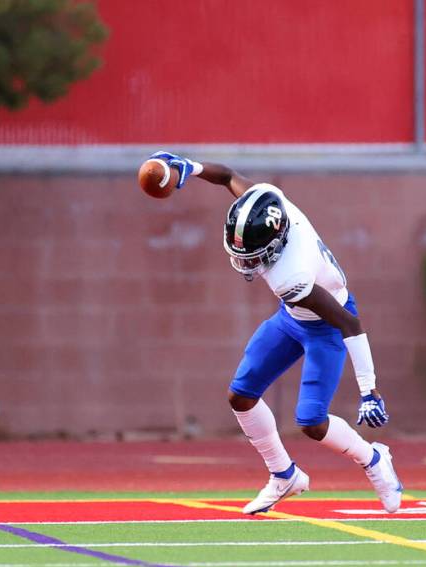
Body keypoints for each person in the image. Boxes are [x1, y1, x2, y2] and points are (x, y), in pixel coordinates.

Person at [145, 151, 403, 515]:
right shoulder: (265, 200)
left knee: (311, 422)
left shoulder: (290, 275)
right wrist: (191, 168)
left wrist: (369, 392)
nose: (247, 262)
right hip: (291, 317)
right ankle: (283, 474)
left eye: (253, 255)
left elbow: (348, 323)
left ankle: (374, 458)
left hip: (326, 325)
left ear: (278, 243)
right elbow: (228, 176)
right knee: (241, 396)